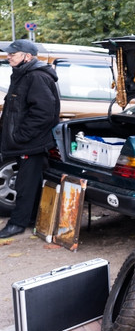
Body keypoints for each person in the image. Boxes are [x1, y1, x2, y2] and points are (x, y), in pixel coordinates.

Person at [0, 39, 61, 239]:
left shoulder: (36, 76)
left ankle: (17, 223)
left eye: (12, 54)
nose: (8, 57)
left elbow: (44, 113)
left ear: (27, 56)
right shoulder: (21, 74)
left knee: (25, 185)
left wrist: (20, 136)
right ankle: (33, 218)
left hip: (31, 143)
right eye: (8, 54)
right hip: (24, 142)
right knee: (32, 183)